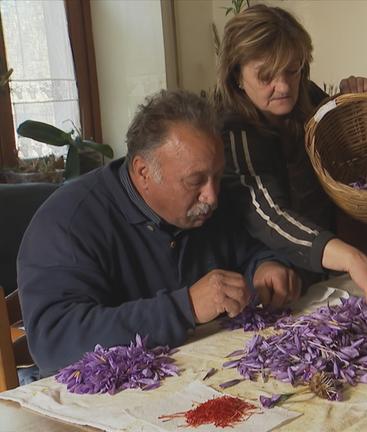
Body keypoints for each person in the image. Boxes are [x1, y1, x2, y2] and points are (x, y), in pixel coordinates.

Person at [17, 90, 299, 376]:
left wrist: (265, 265)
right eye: (196, 181)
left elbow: (247, 250)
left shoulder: (210, 203)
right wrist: (185, 307)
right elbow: (54, 344)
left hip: (200, 375)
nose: (212, 196)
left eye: (217, 176)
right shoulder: (67, 222)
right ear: (143, 172)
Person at [215, 4, 367, 314]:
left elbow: (349, 148)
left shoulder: (306, 96)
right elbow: (271, 215)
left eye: (291, 71)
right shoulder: (233, 133)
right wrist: (353, 259)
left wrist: (350, 101)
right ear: (237, 75)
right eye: (266, 76)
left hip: (321, 266)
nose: (282, 86)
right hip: (270, 272)